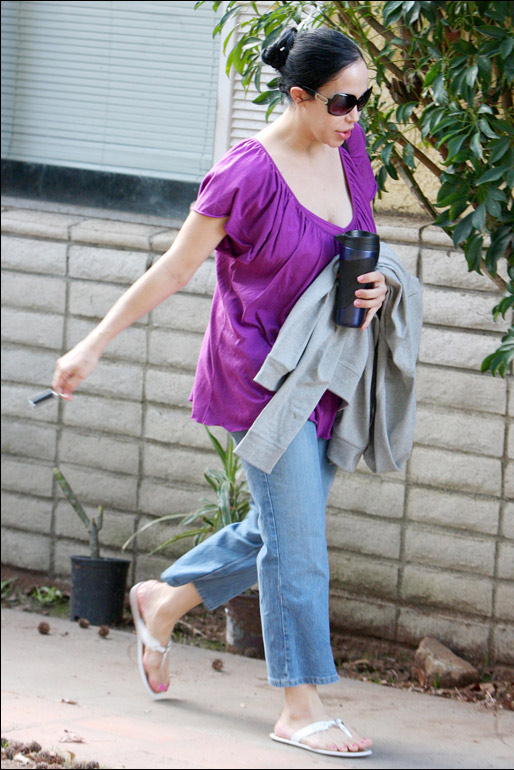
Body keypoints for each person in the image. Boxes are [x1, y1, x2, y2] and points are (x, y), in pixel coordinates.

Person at [52, 26, 389, 757]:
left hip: (324, 373)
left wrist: (379, 284)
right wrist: (92, 343)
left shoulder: (348, 147)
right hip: (259, 379)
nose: (355, 116)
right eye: (341, 102)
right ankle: (300, 706)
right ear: (299, 96)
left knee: (280, 527)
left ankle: (163, 601)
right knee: (298, 546)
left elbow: (360, 247)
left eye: (365, 100)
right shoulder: (245, 174)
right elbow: (175, 269)